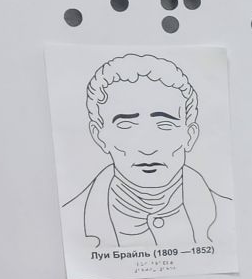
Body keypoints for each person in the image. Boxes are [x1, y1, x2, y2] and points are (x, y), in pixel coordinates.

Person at [63, 53, 228, 250]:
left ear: (190, 135)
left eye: (165, 125)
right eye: (126, 125)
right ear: (99, 136)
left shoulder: (229, 215)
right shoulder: (68, 219)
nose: (147, 149)